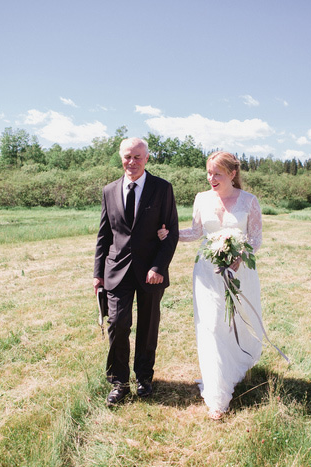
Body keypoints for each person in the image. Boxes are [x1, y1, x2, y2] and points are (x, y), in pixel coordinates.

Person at [158, 151, 263, 420]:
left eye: (217, 173)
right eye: (208, 172)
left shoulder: (250, 201)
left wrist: (240, 254)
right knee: (211, 325)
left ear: (232, 173)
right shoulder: (201, 199)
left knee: (234, 323)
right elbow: (196, 232)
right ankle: (218, 395)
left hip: (238, 272)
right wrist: (169, 234)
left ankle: (234, 367)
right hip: (206, 271)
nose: (211, 178)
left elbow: (255, 238)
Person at [94, 137, 179, 406]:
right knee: (118, 324)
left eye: (138, 157)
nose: (132, 162)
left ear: (147, 158)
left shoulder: (162, 188)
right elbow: (104, 234)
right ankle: (119, 382)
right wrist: (98, 274)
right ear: (121, 157)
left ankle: (144, 377)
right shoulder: (109, 190)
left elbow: (172, 232)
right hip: (116, 270)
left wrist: (158, 267)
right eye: (127, 156)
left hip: (150, 272)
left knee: (148, 326)